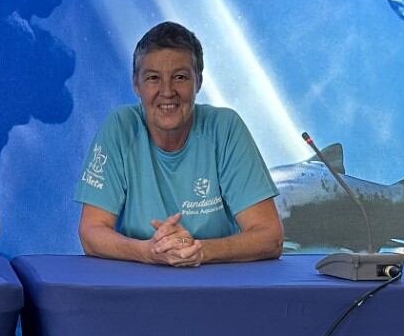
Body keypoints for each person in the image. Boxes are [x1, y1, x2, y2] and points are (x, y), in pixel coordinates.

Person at [76, 20, 283, 266]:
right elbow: (91, 232)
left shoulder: (225, 127)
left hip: (218, 284)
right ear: (136, 84)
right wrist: (148, 252)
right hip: (136, 283)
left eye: (180, 77)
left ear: (199, 81)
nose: (167, 91)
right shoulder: (120, 126)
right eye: (153, 78)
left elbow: (270, 236)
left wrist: (199, 250)